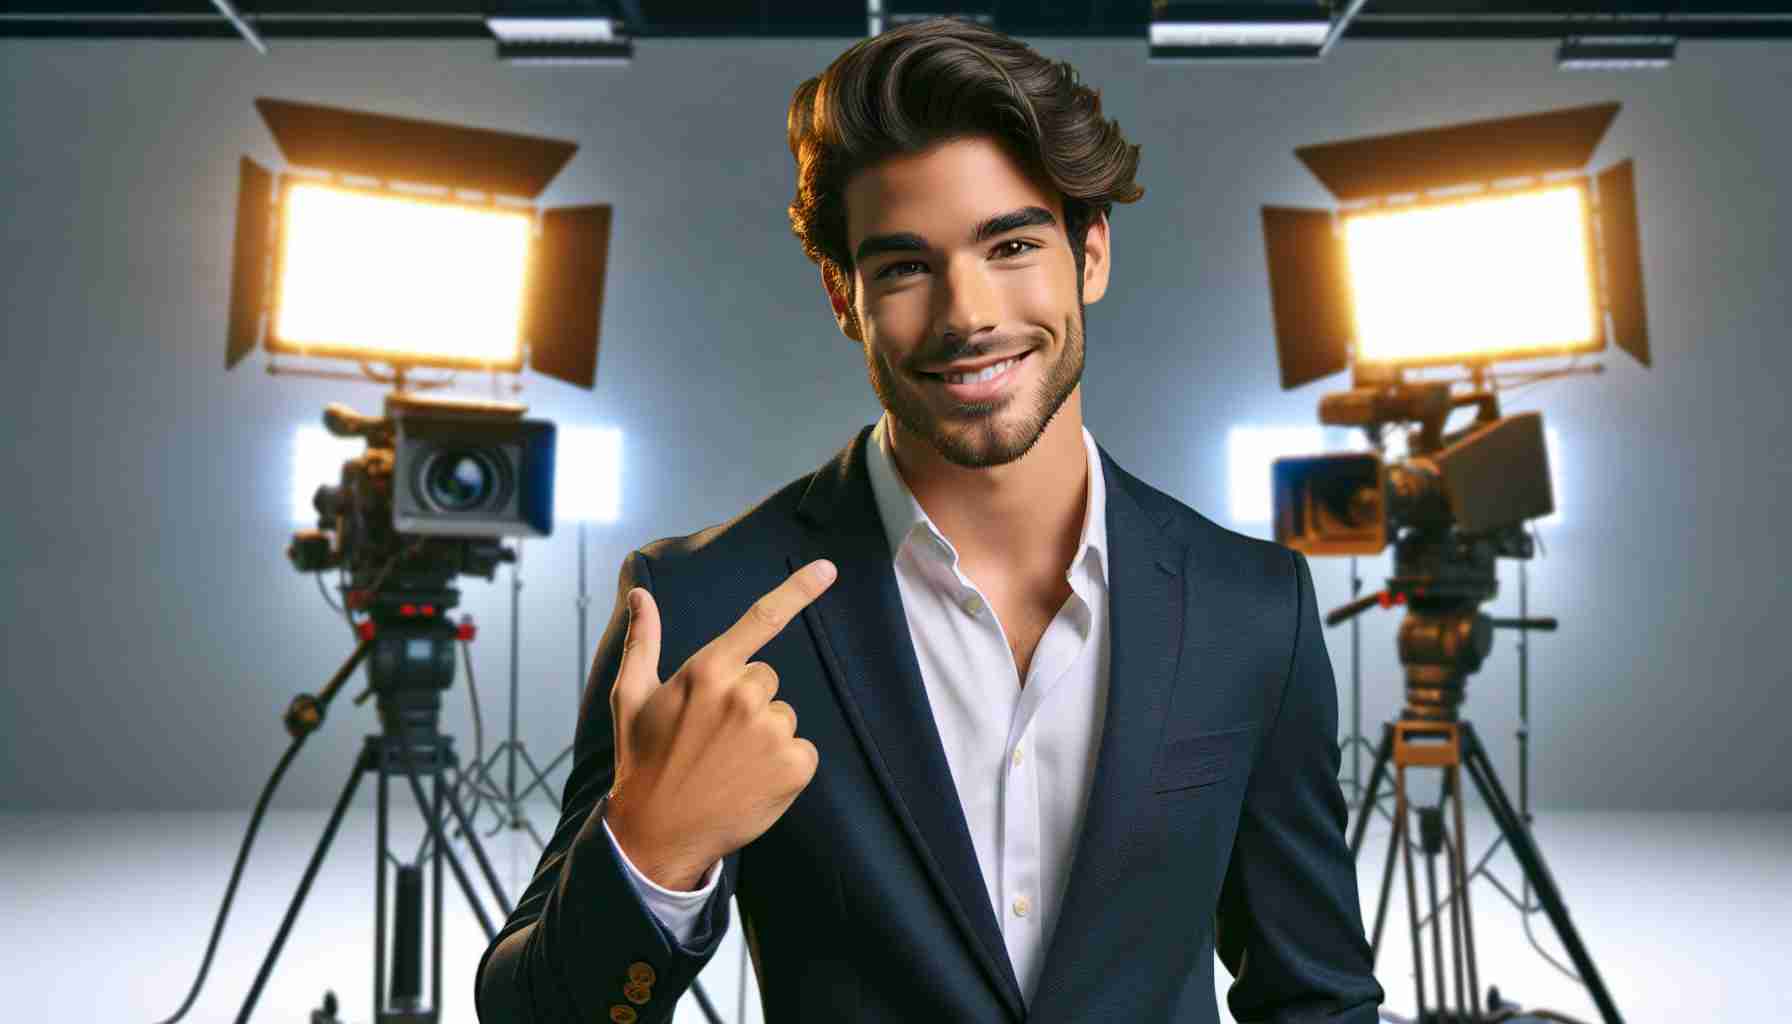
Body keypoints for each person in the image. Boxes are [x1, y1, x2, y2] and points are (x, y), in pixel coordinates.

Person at [476, 15, 1382, 1024]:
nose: (967, 313)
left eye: (1012, 244)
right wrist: (649, 852)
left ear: (1091, 256)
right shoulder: (706, 607)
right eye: (905, 266)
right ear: (843, 295)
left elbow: (1317, 1000)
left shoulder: (1250, 607)